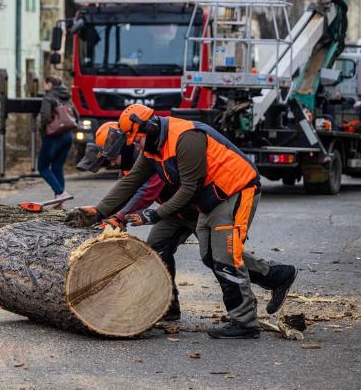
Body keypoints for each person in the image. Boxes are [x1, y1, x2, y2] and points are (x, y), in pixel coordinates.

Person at [66, 104, 298, 338]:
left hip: (236, 190)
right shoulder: (151, 150)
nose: (134, 145)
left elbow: (188, 189)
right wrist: (98, 211)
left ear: (148, 128)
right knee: (209, 256)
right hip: (210, 198)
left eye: (136, 139)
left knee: (225, 257)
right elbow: (131, 182)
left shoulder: (186, 139)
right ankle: (277, 276)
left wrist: (154, 214)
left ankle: (245, 322)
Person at [38, 76, 76, 202]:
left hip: (53, 136)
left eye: (45, 83)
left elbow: (45, 115)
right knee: (57, 167)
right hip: (67, 136)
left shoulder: (49, 97)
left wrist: (44, 130)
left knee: (42, 167)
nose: (44, 86)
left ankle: (60, 192)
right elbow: (76, 115)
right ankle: (60, 198)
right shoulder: (66, 96)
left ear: (49, 84)